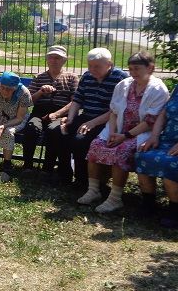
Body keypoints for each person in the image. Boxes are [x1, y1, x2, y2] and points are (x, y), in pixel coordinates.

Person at [79, 52, 168, 213]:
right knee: (96, 145)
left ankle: (115, 198)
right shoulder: (124, 85)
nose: (133, 73)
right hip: (118, 129)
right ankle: (93, 190)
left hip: (141, 133)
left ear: (151, 68)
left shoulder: (158, 89)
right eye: (130, 69)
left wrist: (125, 136)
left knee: (122, 150)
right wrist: (112, 132)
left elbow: (150, 121)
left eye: (137, 69)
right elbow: (113, 111)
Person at [45, 48, 128, 188]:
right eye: (90, 65)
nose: (92, 69)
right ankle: (64, 173)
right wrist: (70, 118)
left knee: (80, 140)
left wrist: (92, 123)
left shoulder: (120, 78)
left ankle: (82, 179)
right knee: (55, 130)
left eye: (97, 66)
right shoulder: (87, 76)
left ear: (109, 64)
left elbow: (116, 109)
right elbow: (77, 99)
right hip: (86, 116)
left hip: (106, 121)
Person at [22, 45, 78, 171]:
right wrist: (41, 92)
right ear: (47, 60)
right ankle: (28, 166)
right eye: (51, 58)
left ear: (64, 60)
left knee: (54, 130)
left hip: (61, 114)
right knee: (31, 128)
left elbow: (75, 101)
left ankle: (47, 168)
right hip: (40, 113)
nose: (53, 60)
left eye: (57, 58)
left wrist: (57, 114)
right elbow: (28, 101)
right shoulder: (39, 77)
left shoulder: (72, 77)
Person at [136, 85, 178, 228]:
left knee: (170, 163)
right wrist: (154, 136)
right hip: (168, 140)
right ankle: (149, 203)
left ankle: (174, 210)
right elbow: (164, 113)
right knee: (143, 155)